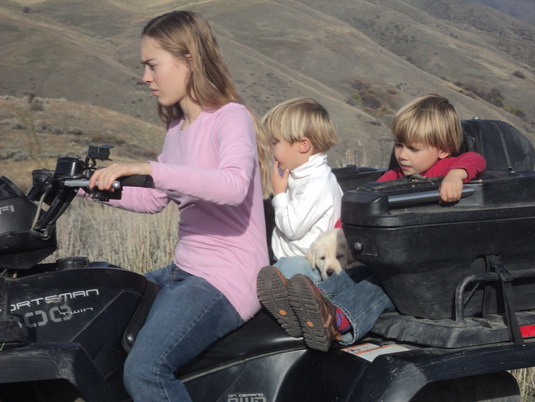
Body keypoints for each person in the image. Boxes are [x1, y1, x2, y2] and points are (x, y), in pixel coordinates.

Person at [82, 11, 270, 401]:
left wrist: (151, 168)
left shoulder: (230, 118)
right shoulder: (177, 129)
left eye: (152, 65)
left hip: (225, 278)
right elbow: (154, 199)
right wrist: (86, 187)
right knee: (100, 315)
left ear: (188, 60)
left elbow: (234, 186)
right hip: (184, 270)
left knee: (147, 370)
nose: (145, 77)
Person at [257, 94, 486, 352]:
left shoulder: (447, 169)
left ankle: (339, 321)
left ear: (443, 150)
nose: (402, 155)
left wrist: (456, 175)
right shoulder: (393, 177)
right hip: (395, 262)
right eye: (399, 145)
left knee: (381, 287)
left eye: (413, 148)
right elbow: (363, 206)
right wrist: (342, 232)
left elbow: (476, 159)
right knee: (358, 274)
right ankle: (314, 304)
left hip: (429, 274)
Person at [257, 97, 343, 336]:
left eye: (275, 142)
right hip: (291, 262)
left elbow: (292, 228)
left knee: (287, 273)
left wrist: (279, 193)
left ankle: (314, 310)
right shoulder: (300, 175)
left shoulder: (318, 182)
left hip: (306, 265)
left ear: (302, 145)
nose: (271, 149)